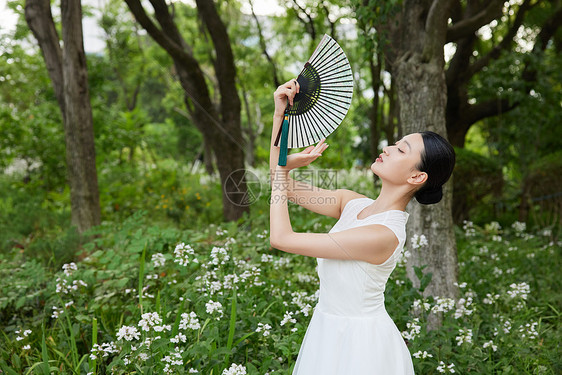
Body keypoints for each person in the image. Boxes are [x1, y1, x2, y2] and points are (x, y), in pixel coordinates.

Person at [269, 79, 456, 374]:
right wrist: (281, 115)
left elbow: (281, 237)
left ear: (416, 177)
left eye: (401, 150)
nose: (388, 148)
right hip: (325, 331)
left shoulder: (383, 235)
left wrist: (282, 169)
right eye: (394, 143)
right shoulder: (351, 203)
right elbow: (280, 183)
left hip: (360, 347)